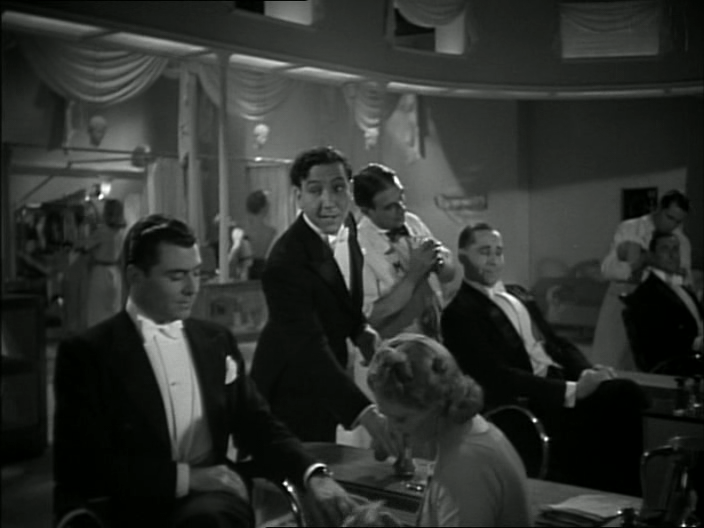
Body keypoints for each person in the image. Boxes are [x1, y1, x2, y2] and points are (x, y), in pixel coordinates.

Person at [54, 214, 358, 528]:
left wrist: (312, 474)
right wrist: (187, 478)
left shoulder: (215, 341)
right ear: (135, 276)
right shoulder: (88, 353)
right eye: (176, 276)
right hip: (129, 503)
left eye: (197, 273)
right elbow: (82, 465)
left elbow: (258, 424)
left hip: (212, 502)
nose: (192, 288)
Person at [441, 223, 648, 495]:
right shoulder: (459, 312)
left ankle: (626, 497)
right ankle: (622, 497)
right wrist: (571, 391)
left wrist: (587, 372)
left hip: (562, 384)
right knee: (624, 397)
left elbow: (556, 343)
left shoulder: (517, 293)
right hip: (531, 401)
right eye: (484, 252)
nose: (493, 260)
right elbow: (496, 376)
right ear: (463, 256)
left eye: (498, 252)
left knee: (623, 394)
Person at [250, 147, 402, 457]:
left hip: (327, 380)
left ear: (350, 190)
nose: (328, 201)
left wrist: (360, 331)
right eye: (315, 190)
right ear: (298, 196)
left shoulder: (350, 230)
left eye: (337, 188)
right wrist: (366, 414)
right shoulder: (285, 261)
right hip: (289, 388)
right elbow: (307, 348)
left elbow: (341, 298)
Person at [366, 333, 532, 527]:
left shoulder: (464, 468)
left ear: (437, 405)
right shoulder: (470, 436)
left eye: (401, 419)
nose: (392, 429)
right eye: (386, 416)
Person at [353, 163, 456, 341]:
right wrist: (414, 275)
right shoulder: (358, 248)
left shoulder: (412, 222)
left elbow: (449, 275)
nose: (401, 209)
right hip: (396, 345)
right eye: (390, 206)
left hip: (435, 333)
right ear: (367, 211)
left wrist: (439, 262)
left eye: (401, 197)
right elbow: (369, 318)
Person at [593, 190, 691, 370]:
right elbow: (608, 270)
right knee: (608, 363)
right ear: (659, 209)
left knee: (645, 366)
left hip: (655, 310)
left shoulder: (681, 242)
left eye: (678, 221)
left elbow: (684, 281)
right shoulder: (630, 229)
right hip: (621, 302)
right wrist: (643, 261)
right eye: (670, 217)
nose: (672, 225)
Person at [625, 231, 703, 374]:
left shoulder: (684, 290)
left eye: (675, 249)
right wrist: (696, 344)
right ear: (652, 255)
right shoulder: (646, 294)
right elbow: (657, 342)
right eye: (665, 249)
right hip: (675, 370)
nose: (672, 255)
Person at [83, 198, 127, 327]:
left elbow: (85, 246)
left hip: (101, 271)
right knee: (113, 309)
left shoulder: (102, 232)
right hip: (115, 272)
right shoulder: (121, 232)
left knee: (97, 311)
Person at [243, 189, 277, 280]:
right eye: (268, 204)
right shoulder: (271, 232)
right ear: (264, 208)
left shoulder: (244, 231)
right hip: (258, 269)